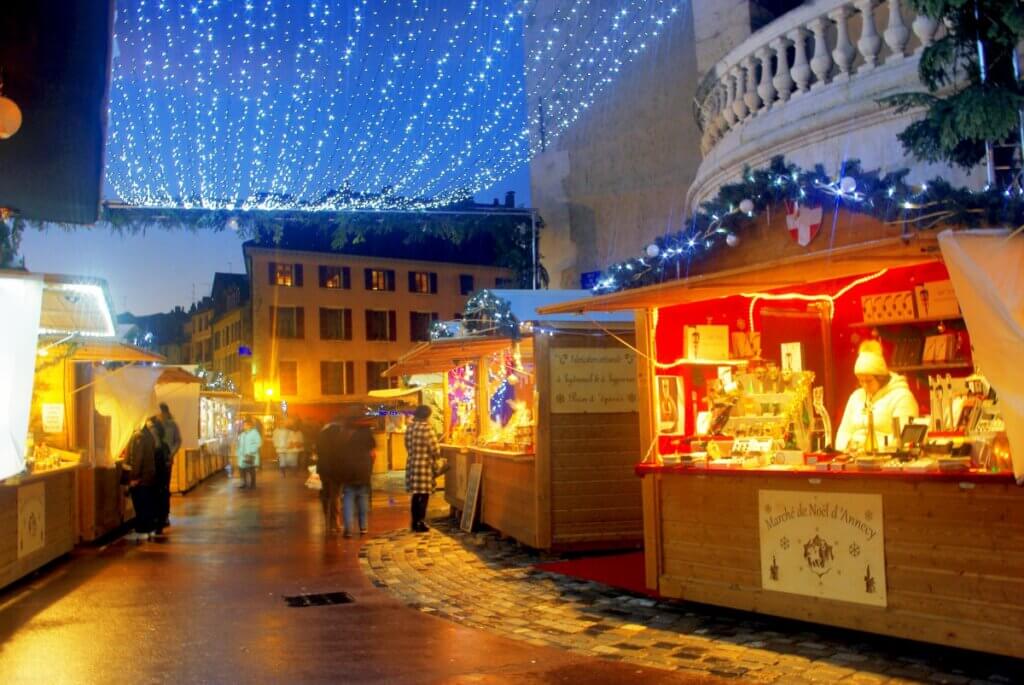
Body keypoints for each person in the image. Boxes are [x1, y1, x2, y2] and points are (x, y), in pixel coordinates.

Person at [835, 340, 919, 452]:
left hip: (885, 461)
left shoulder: (902, 397)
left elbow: (904, 439)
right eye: (861, 381)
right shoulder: (855, 397)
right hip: (852, 458)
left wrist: (867, 446)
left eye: (869, 381)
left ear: (881, 378)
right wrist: (848, 444)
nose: (864, 386)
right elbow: (843, 432)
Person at [405, 405, 444, 533]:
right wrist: (438, 458)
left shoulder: (410, 428)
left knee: (416, 495)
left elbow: (406, 444)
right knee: (424, 494)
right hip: (424, 465)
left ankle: (414, 521)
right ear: (426, 416)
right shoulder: (427, 429)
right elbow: (435, 449)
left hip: (412, 463)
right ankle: (420, 521)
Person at [338, 412, 376, 538]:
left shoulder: (343, 434)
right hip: (363, 469)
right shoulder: (367, 433)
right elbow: (373, 453)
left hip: (348, 470)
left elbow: (339, 453)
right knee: (363, 498)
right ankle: (363, 527)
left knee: (348, 497)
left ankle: (348, 529)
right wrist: (370, 467)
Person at [125, 421, 159, 540]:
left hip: (141, 479)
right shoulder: (148, 435)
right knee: (147, 503)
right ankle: (148, 529)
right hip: (148, 476)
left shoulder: (138, 437)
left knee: (140, 505)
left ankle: (142, 530)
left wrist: (134, 477)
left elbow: (137, 459)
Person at [315, 418, 345, 534]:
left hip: (323, 468)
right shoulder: (341, 437)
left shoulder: (321, 436)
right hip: (336, 469)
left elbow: (317, 451)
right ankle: (335, 523)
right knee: (335, 495)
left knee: (325, 494)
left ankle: (327, 521)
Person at [157, 403, 181, 530]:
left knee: (164, 488)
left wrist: (172, 453)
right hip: (157, 460)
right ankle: (158, 514)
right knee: (159, 487)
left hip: (167, 460)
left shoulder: (172, 425)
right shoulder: (155, 425)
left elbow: (178, 440)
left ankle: (164, 515)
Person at [236, 418, 262, 489]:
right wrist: (238, 452)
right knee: (242, 469)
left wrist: (251, 450)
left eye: (245, 425)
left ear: (250, 426)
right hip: (242, 455)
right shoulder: (242, 434)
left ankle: (253, 484)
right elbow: (239, 444)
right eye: (243, 425)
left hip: (250, 455)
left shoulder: (255, 433)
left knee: (251, 469)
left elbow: (259, 443)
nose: (244, 427)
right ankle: (243, 483)